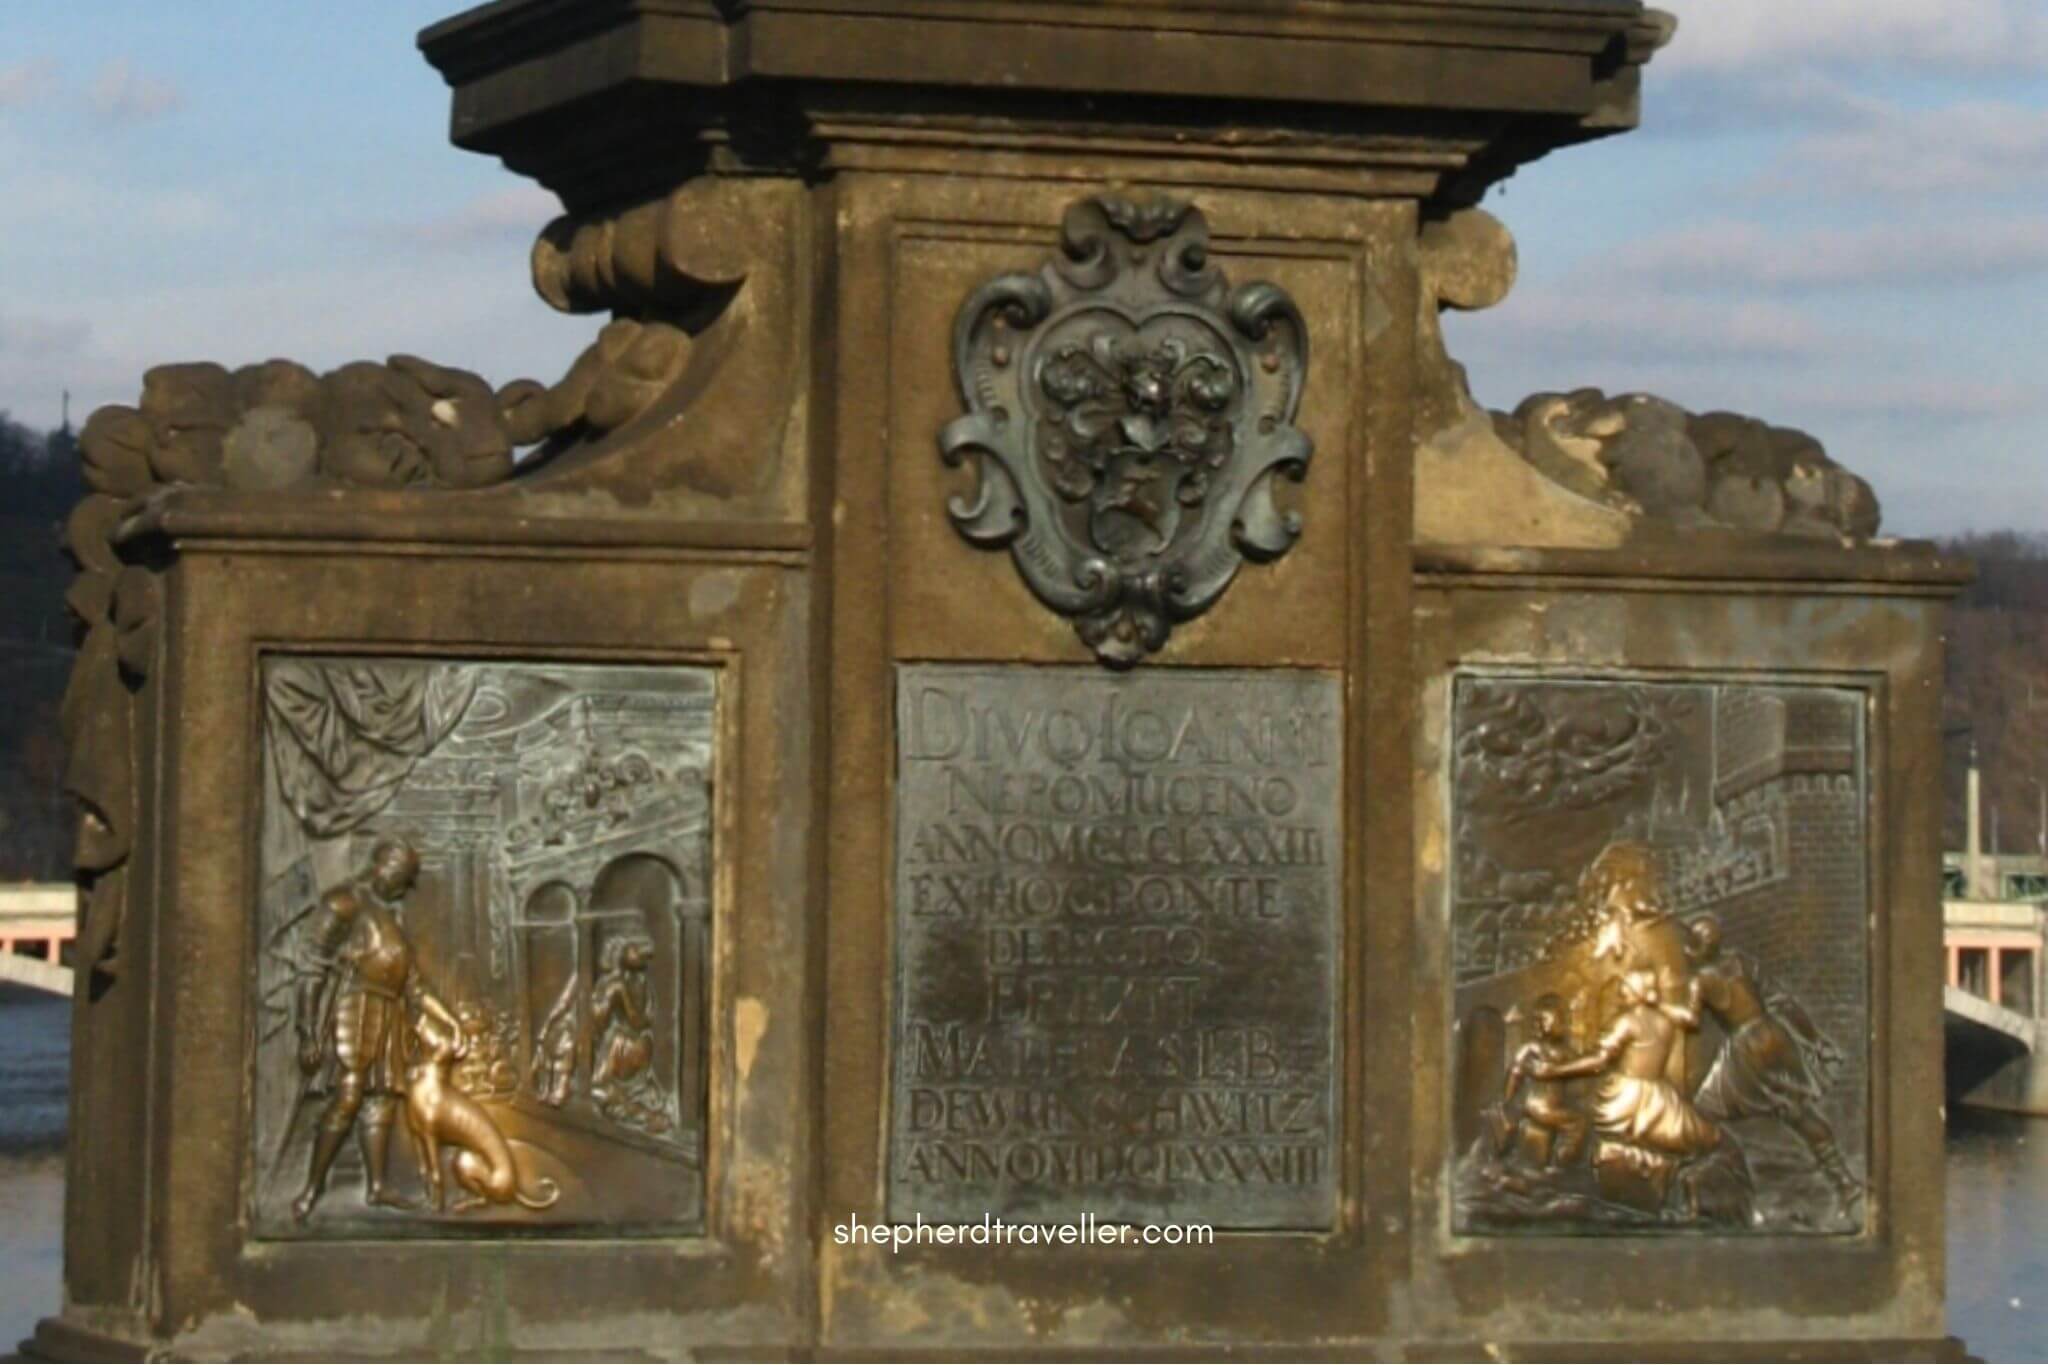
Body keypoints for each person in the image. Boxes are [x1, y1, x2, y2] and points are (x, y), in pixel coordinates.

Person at [291, 838, 457, 1221]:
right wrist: (307, 1030)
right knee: (349, 1094)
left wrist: (446, 1018)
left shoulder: (390, 918)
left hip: (387, 1011)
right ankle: (313, 1187)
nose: (407, 887)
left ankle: (377, 1186)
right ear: (385, 865)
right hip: (354, 1005)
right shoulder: (344, 902)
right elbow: (312, 965)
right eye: (404, 877)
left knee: (381, 1099)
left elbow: (413, 983)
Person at [1682, 913, 1860, 1217]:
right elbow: (1785, 1002)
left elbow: (1690, 1020)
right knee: (1800, 1112)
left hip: (1746, 1047)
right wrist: (1814, 1040)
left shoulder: (1701, 980)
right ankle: (1846, 1185)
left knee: (1702, 1113)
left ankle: (1719, 1197)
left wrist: (1660, 1006)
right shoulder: (1741, 961)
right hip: (1775, 1035)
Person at [1490, 994, 1590, 1168]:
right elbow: (1515, 1074)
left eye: (1562, 1020)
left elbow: (1579, 1075)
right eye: (1559, 1020)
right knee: (1577, 1123)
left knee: (1575, 1117)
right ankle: (1561, 1161)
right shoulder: (1533, 1049)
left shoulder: (1563, 1051)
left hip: (1546, 1106)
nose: (1564, 1025)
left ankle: (1561, 1159)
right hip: (1538, 1106)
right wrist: (1507, 1102)